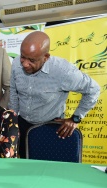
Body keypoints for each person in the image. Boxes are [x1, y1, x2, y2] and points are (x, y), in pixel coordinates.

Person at [8, 31, 100, 159]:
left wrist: (75, 118)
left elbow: (93, 89)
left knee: (48, 168)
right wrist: (12, 120)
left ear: (46, 57)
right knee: (26, 167)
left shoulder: (63, 71)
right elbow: (13, 91)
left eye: (32, 60)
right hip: (23, 126)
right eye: (23, 57)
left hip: (51, 128)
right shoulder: (16, 64)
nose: (24, 64)